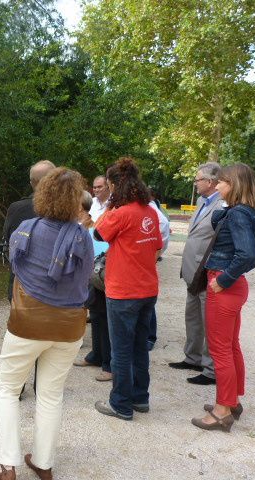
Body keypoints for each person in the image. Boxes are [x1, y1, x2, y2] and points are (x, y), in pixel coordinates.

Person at [0, 168, 94, 480]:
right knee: (50, 394)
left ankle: (7, 465)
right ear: (77, 200)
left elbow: (15, 264)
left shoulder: (27, 228)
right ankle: (43, 463)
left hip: (28, 322)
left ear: (41, 195)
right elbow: (84, 278)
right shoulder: (82, 237)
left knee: (6, 388)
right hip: (70, 325)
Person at [191, 163, 255, 432]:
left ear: (232, 184)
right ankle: (231, 402)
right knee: (230, 347)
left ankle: (222, 411)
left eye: (221, 182)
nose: (217, 185)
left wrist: (223, 279)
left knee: (220, 349)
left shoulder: (238, 215)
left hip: (225, 287)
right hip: (233, 287)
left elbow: (246, 254)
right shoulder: (245, 213)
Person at [93, 157, 162, 421]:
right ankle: (139, 398)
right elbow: (156, 246)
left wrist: (111, 205)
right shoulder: (149, 212)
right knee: (138, 346)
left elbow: (98, 234)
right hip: (147, 288)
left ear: (113, 185)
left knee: (121, 349)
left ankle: (120, 404)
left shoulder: (120, 213)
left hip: (123, 291)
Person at [168, 162, 223, 386]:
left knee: (208, 319)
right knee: (192, 315)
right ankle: (193, 357)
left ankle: (210, 369)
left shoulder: (222, 204)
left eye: (198, 179)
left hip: (206, 271)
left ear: (210, 182)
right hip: (192, 270)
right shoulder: (202, 201)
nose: (195, 183)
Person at [3, 160, 56, 301]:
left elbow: (9, 240)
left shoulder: (17, 209)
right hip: (57, 286)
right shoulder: (71, 209)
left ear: (32, 183)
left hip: (23, 286)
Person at [73, 191, 113, 382]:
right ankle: (96, 355)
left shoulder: (95, 227)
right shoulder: (75, 226)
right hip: (87, 276)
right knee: (96, 316)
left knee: (103, 318)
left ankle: (108, 364)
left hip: (97, 275)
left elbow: (102, 248)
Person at [147, 191, 170, 350]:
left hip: (145, 261)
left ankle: (150, 336)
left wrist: (155, 255)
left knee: (147, 300)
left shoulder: (152, 211)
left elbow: (163, 228)